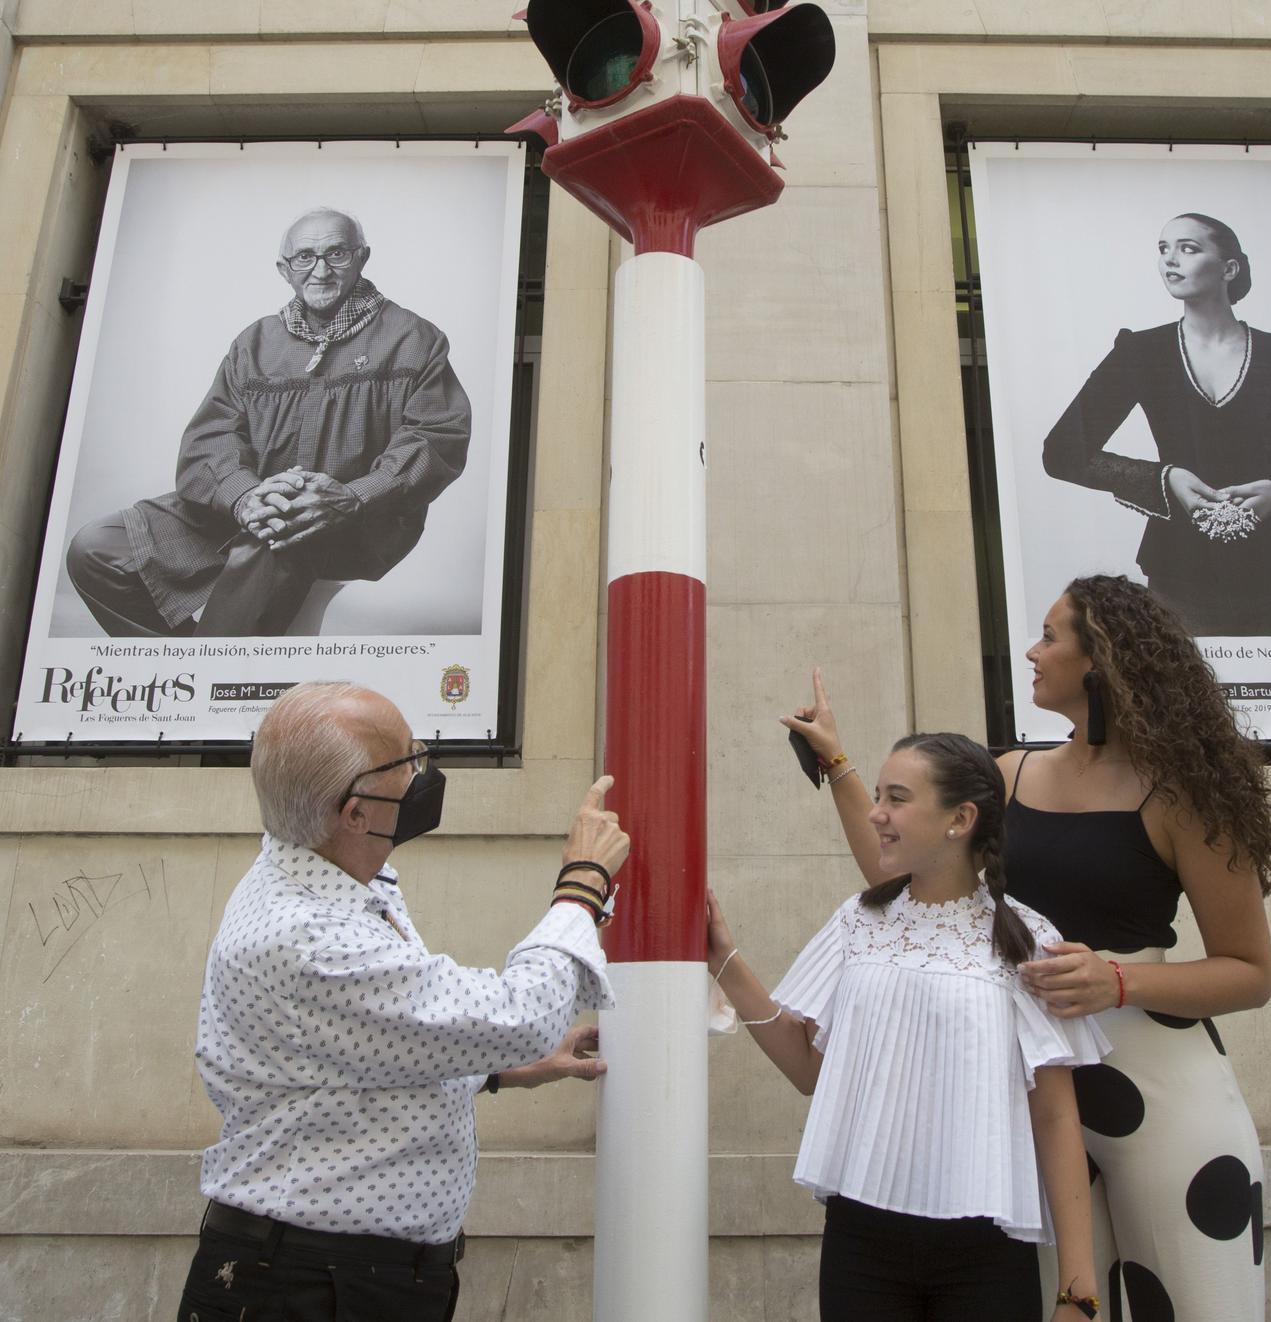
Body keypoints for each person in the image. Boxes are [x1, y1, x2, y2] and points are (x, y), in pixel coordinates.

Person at [788, 576, 1271, 1319]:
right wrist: (837, 765)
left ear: (1103, 662)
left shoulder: (1187, 797)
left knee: (1197, 1302)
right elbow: (896, 863)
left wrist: (1117, 981)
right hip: (1025, 1097)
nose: (1032, 649)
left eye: (1051, 635)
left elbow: (1251, 974)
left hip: (1159, 1087)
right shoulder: (1010, 773)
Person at [175, 680, 627, 1322]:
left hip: (346, 1274)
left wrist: (500, 1069)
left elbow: (366, 1050)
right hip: (311, 1284)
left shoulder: (330, 867)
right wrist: (583, 884)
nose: (423, 770)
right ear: (354, 812)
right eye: (407, 760)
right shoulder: (312, 938)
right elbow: (518, 1015)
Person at [709, 732, 1110, 1322]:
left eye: (896, 798)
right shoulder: (860, 918)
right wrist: (725, 960)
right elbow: (808, 1069)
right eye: (877, 795)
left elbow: (1054, 1117)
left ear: (961, 819)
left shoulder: (1026, 938)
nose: (876, 814)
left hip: (988, 1251)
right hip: (860, 1240)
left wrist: (1078, 1290)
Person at [68, 208, 472, 637]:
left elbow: (436, 438)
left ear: (362, 257)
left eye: (336, 254)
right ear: (284, 269)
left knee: (282, 530)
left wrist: (354, 496)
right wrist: (244, 495)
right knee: (96, 547)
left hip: (355, 519)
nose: (320, 270)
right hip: (245, 506)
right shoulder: (254, 342)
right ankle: (189, 666)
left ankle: (213, 682)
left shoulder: (414, 338)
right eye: (304, 257)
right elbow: (210, 437)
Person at [1039, 212, 1271, 637]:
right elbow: (1062, 451)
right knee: (1185, 703)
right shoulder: (1140, 352)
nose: (1170, 260)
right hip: (1180, 578)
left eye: (1188, 249)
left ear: (1229, 268)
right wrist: (1165, 479)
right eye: (1163, 249)